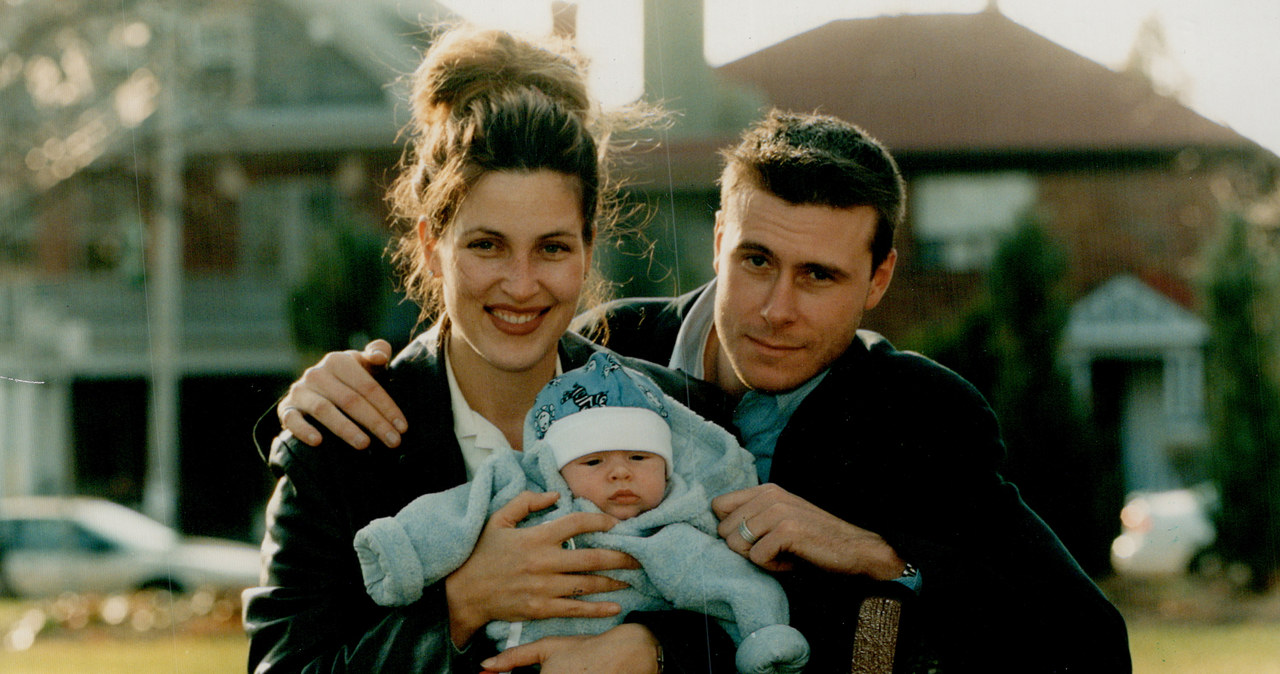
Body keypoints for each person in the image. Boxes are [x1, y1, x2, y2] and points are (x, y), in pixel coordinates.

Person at [268, 110, 1133, 671]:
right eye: (755, 261)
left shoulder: (918, 416)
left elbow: (1072, 642)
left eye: (820, 276)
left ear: (879, 281)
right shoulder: (628, 359)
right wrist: (462, 604)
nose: (776, 310)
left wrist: (881, 559)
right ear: (719, 238)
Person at [242, 25, 745, 674]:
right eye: (487, 245)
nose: (521, 284)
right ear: (431, 245)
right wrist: (460, 605)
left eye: (553, 247)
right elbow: (285, 665)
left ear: (588, 247)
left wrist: (657, 653)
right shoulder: (341, 447)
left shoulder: (681, 415)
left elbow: (766, 618)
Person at [354, 351, 809, 673]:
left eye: (639, 458)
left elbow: (737, 586)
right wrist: (400, 551)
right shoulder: (525, 493)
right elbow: (457, 513)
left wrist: (764, 636)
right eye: (593, 462)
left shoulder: (673, 535)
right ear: (558, 467)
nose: (619, 475)